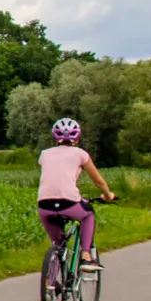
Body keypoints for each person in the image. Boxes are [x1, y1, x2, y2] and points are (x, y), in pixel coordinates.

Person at [38, 117, 114, 280]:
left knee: (58, 246)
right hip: (69, 203)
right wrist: (108, 196)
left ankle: (49, 286)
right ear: (77, 138)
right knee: (87, 214)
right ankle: (86, 255)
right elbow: (98, 181)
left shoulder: (44, 154)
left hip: (44, 206)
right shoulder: (81, 154)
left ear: (55, 137)